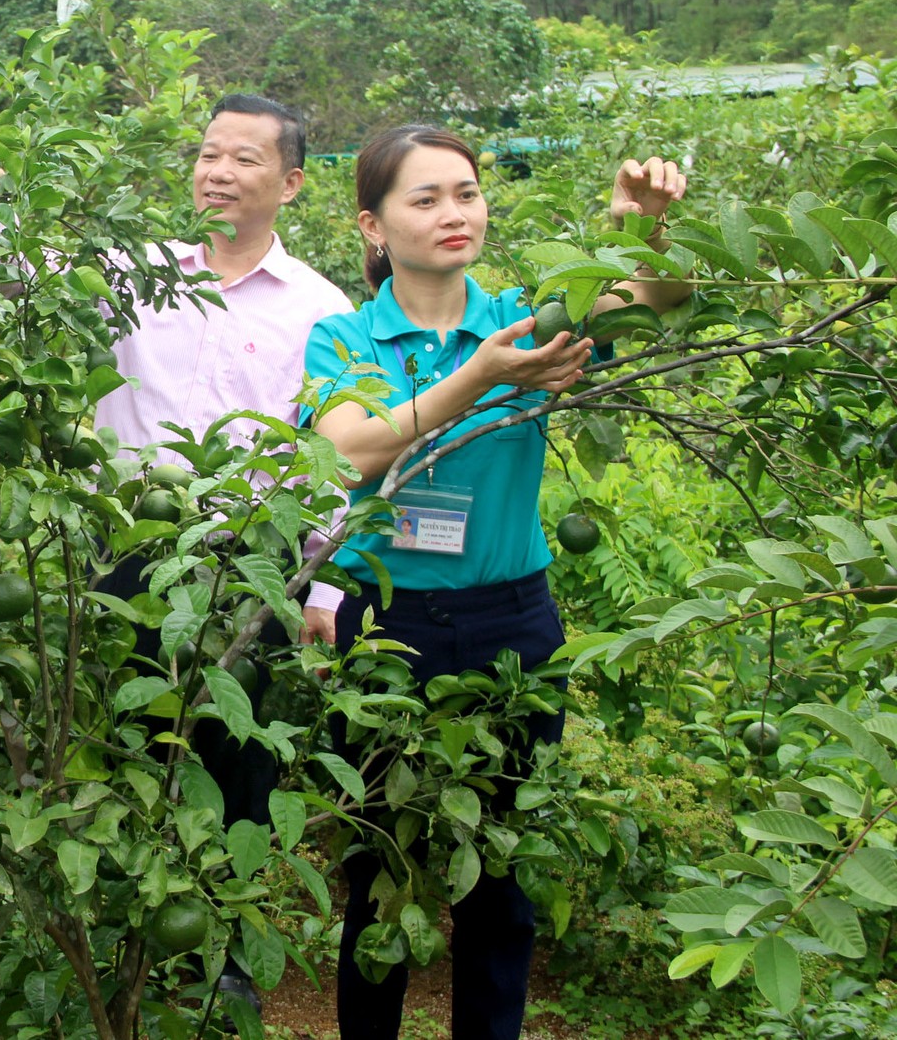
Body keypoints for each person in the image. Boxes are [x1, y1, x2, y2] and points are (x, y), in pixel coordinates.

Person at [303, 125, 690, 1040]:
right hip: (382, 627)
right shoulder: (345, 336)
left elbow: (656, 301)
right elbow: (349, 446)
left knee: (501, 872)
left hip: (512, 619)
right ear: (373, 224)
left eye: (466, 193)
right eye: (424, 198)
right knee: (380, 863)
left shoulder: (529, 314)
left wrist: (644, 231)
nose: (453, 213)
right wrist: (480, 373)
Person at [85, 93, 354, 1016]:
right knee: (121, 734)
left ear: (291, 182)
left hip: (251, 563)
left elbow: (335, 458)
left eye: (243, 158)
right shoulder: (134, 271)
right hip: (131, 552)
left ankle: (218, 948)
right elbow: (19, 273)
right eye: (207, 153)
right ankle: (121, 926)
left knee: (236, 749)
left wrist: (323, 582)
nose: (217, 171)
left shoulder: (323, 308)